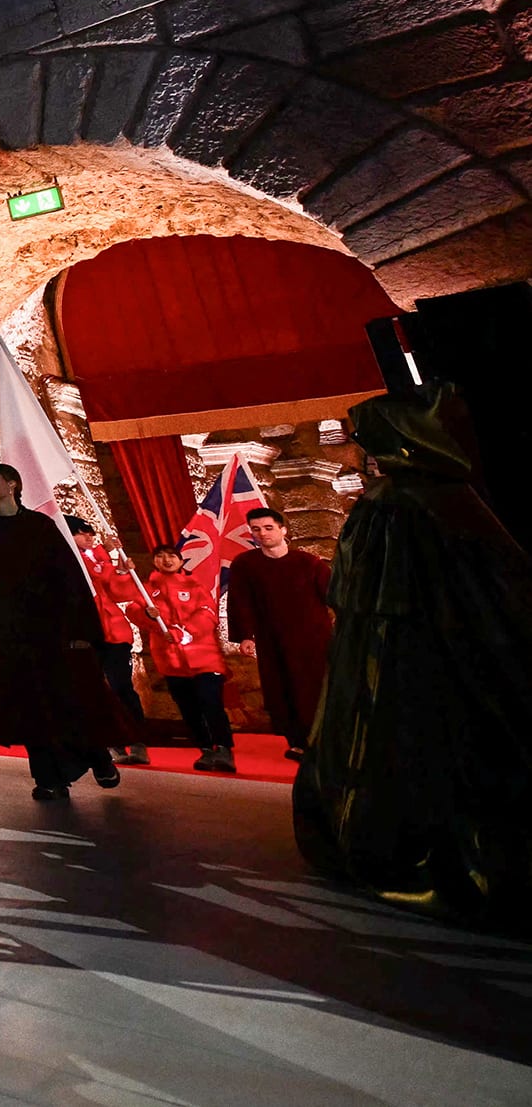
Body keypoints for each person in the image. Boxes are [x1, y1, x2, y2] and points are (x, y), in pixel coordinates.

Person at [294, 391, 532, 924]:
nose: (359, 453)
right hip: (458, 652)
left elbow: (357, 595)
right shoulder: (457, 501)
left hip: (402, 661)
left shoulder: (392, 506)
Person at [0, 462, 133, 801]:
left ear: (12, 484)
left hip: (48, 628)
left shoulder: (40, 526)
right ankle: (48, 777)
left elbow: (67, 577)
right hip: (6, 630)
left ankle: (97, 757)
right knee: (26, 704)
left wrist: (78, 627)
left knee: (68, 698)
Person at [223, 506, 334, 759]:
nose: (262, 534)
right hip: (272, 640)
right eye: (256, 529)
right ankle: (297, 742)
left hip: (314, 639)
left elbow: (334, 596)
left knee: (316, 688)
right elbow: (240, 601)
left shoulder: (309, 563)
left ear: (283, 530)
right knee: (282, 690)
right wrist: (245, 636)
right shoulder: (246, 564)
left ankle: (323, 740)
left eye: (268, 528)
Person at [140, 542, 233, 772]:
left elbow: (207, 613)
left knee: (210, 701)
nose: (167, 560)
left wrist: (185, 632)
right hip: (171, 660)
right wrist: (146, 614)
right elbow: (135, 611)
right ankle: (205, 749)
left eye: (172, 556)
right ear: (154, 561)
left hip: (204, 657)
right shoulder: (146, 589)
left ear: (181, 561)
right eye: (160, 556)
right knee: (188, 706)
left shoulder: (195, 585)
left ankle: (223, 748)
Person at [69, 515, 151, 766]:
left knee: (121, 687)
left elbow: (119, 592)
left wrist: (120, 569)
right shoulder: (69, 559)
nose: (89, 538)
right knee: (92, 689)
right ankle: (110, 740)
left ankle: (136, 740)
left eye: (90, 533)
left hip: (113, 633)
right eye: (82, 533)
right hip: (84, 632)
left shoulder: (99, 558)